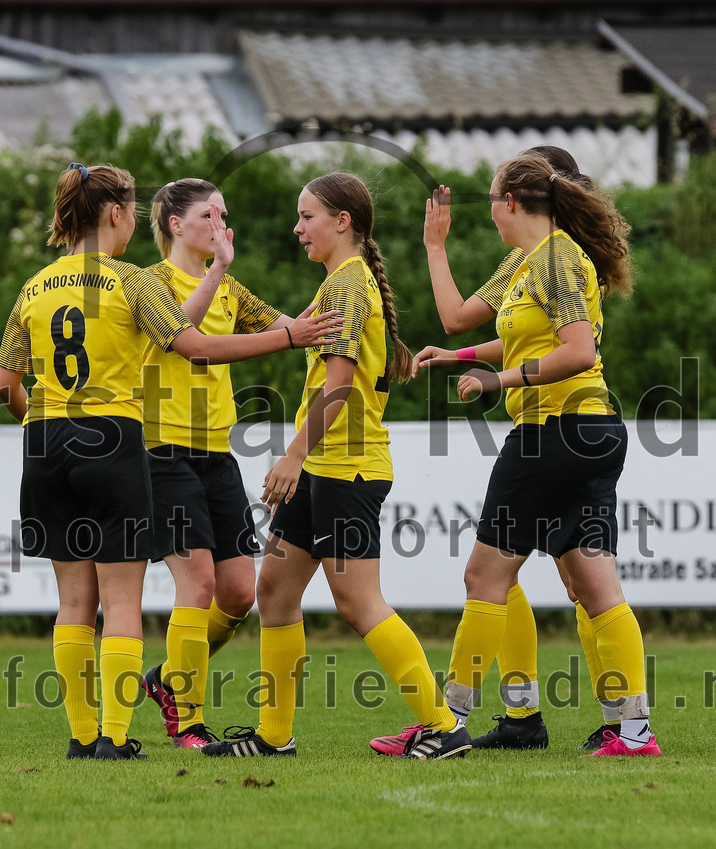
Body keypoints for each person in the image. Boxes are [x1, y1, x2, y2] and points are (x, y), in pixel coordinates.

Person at [0, 162, 341, 761]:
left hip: (50, 441)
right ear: (117, 215)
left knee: (77, 601)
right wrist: (291, 338)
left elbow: (5, 384)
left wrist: (40, 423)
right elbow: (189, 340)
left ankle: (83, 738)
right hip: (124, 441)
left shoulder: (33, 286)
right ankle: (126, 736)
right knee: (125, 600)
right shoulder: (134, 281)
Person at [202, 172, 472, 760]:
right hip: (324, 468)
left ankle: (445, 725)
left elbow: (342, 386)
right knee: (274, 591)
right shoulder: (341, 284)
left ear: (342, 221)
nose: (297, 229)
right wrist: (214, 276)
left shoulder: (350, 286)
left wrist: (294, 454)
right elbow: (284, 330)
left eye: (308, 217)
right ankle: (274, 736)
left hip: (344, 469)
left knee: (358, 601)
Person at [405, 153, 658, 757]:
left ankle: (449, 724)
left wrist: (501, 381)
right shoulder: (527, 262)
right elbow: (462, 319)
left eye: (492, 199)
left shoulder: (559, 257)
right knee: (594, 583)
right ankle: (633, 731)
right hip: (584, 432)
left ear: (510, 202)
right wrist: (461, 353)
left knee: (485, 576)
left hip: (557, 431)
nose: (489, 210)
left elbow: (578, 351)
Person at [137, 178, 322, 749]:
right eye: (210, 214)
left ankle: (169, 680)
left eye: (224, 212)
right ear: (176, 224)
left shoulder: (232, 290)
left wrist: (348, 278)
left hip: (215, 452)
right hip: (161, 451)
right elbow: (186, 339)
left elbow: (289, 323)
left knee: (239, 592)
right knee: (196, 585)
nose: (222, 222)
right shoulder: (147, 284)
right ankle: (188, 720)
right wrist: (218, 271)